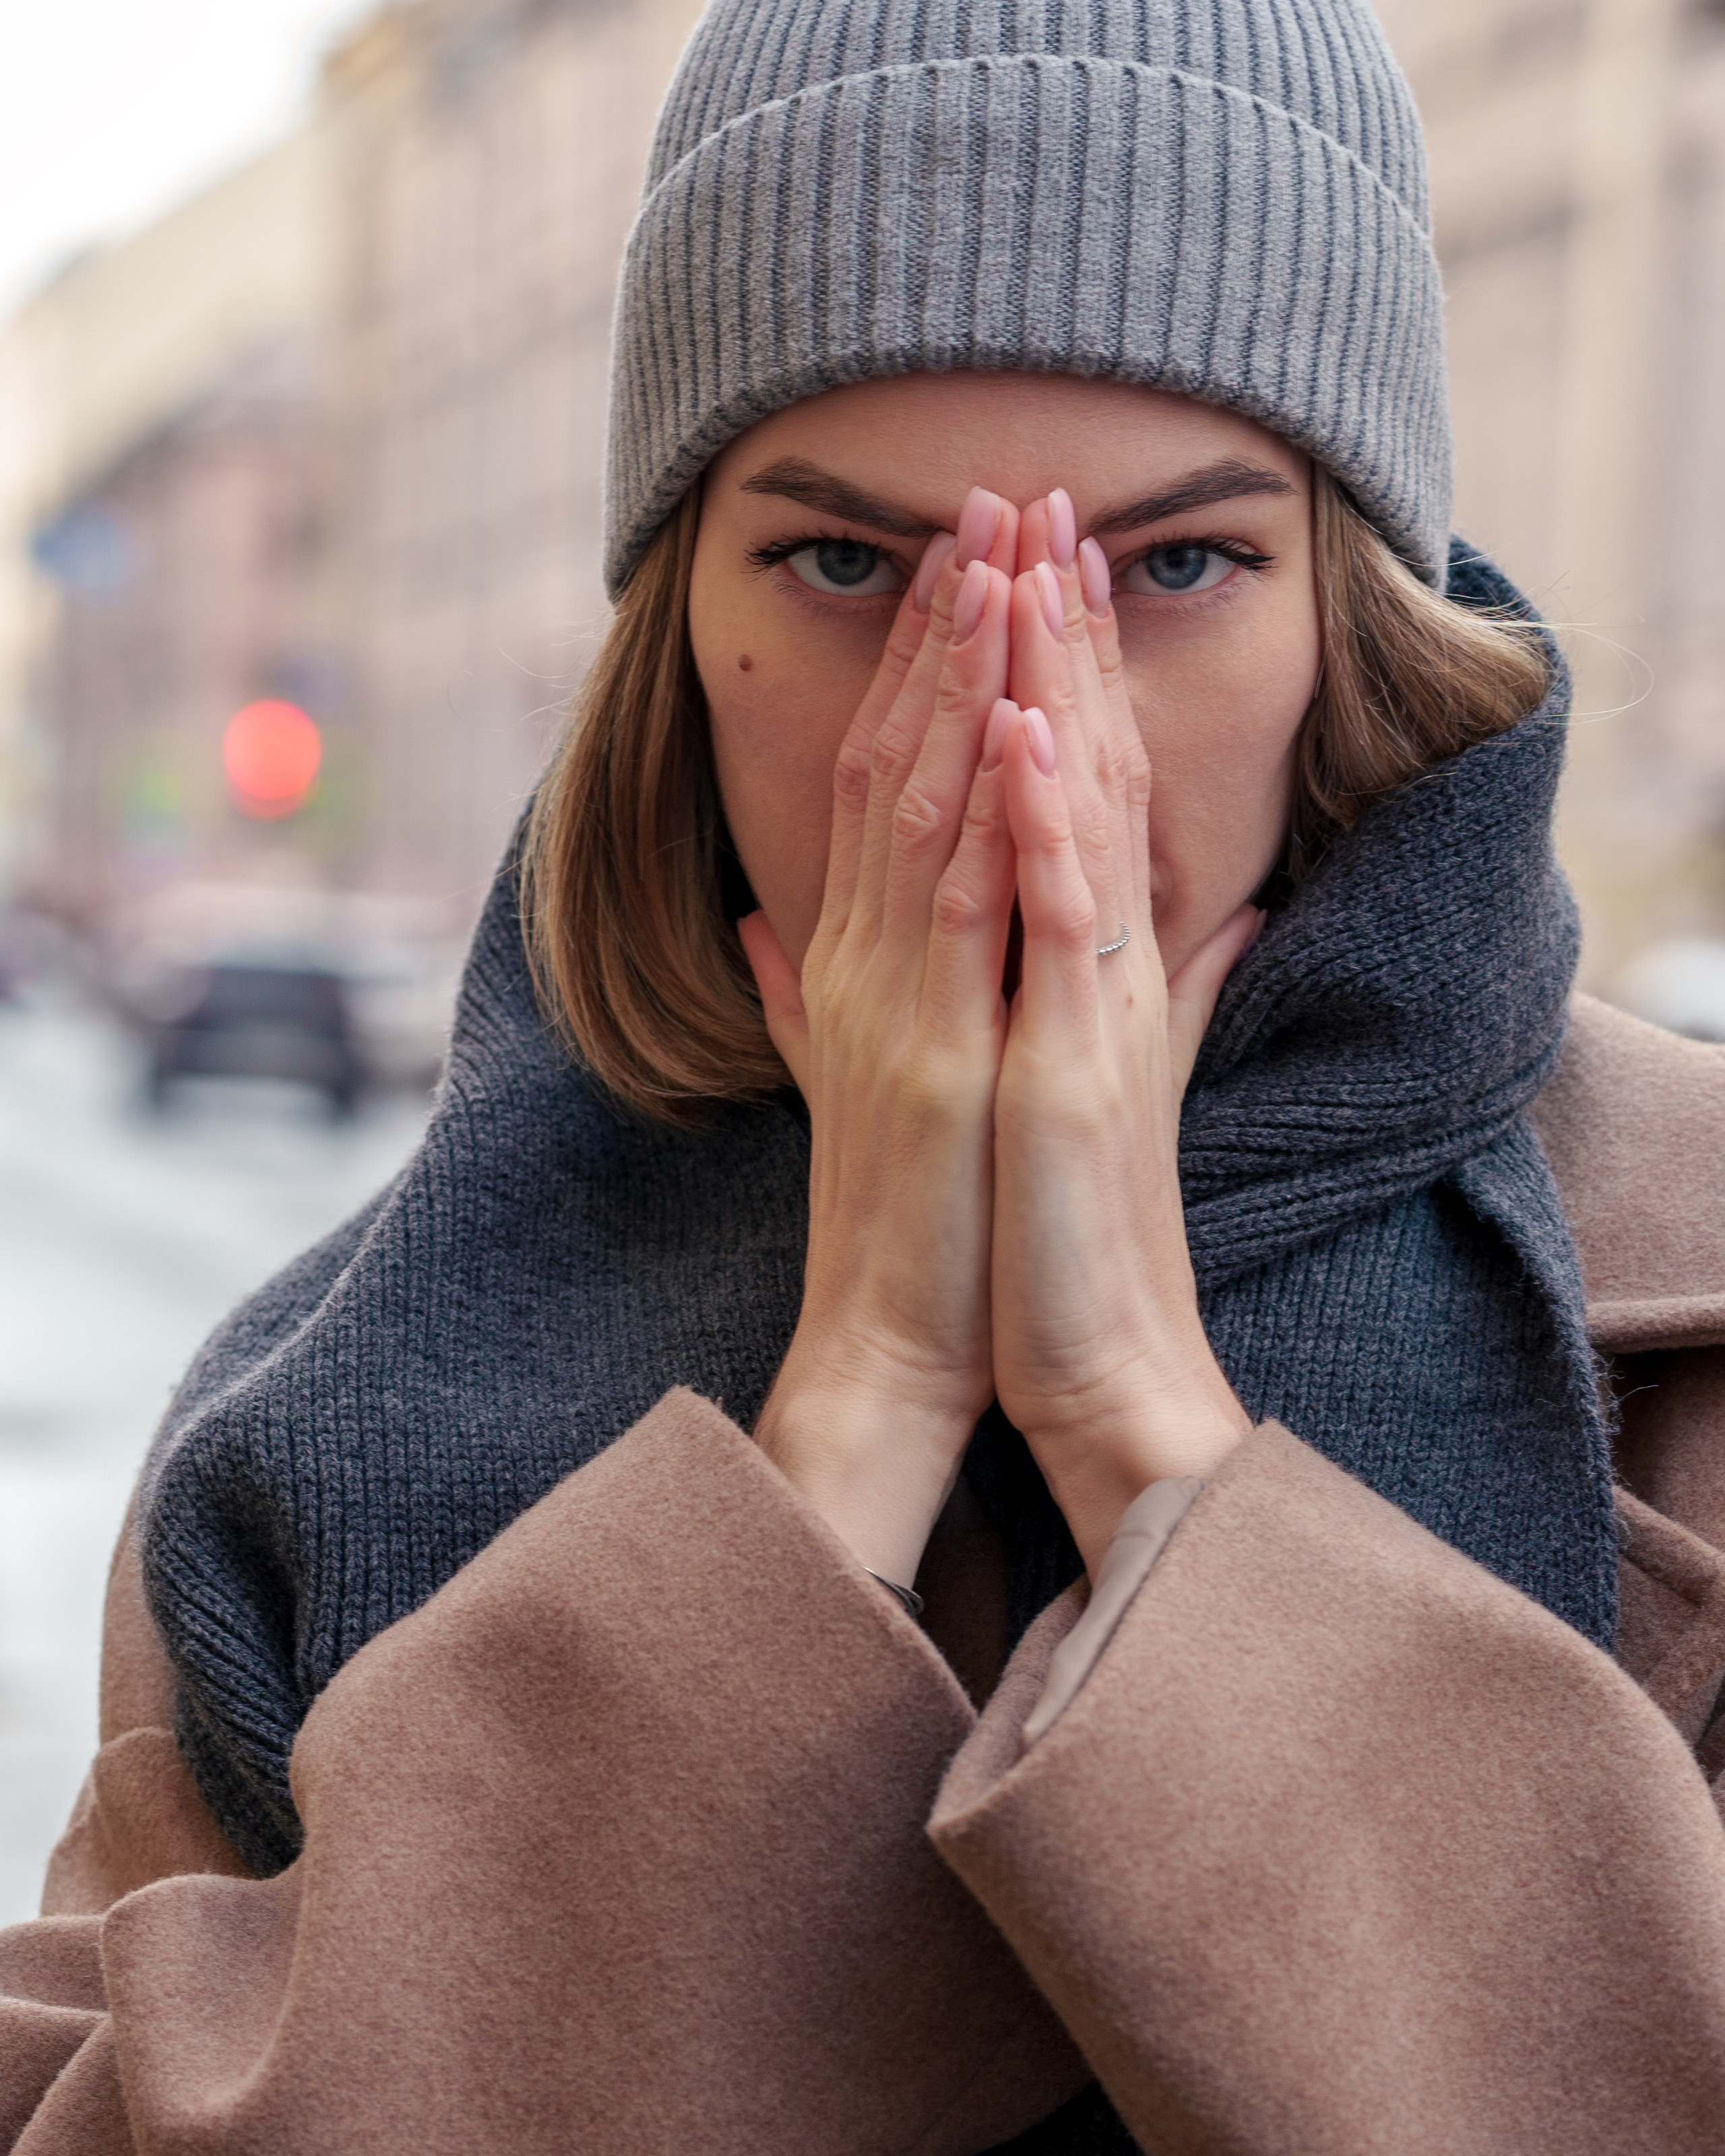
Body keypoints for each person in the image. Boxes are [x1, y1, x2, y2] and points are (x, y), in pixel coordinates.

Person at [7, 1, 1725, 2149]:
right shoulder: (313, 1425)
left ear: (1352, 622)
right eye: (843, 564)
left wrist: (1136, 1422)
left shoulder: (1699, 1298)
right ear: (676, 636)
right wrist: (852, 1417)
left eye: (1181, 563)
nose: (1019, 714)